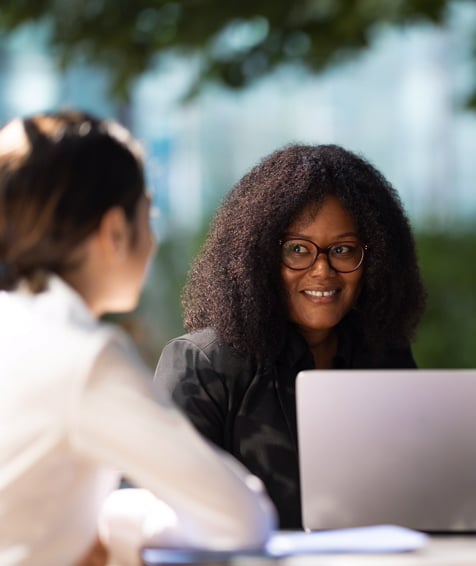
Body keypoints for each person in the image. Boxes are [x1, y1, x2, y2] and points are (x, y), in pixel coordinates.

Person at [0, 111, 276, 566]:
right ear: (114, 232)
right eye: (151, 214)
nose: (155, 238)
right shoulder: (82, 356)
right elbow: (238, 522)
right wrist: (127, 523)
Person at [155, 143, 427, 530]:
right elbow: (169, 512)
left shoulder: (385, 357)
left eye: (343, 250)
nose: (322, 271)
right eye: (297, 249)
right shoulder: (203, 365)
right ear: (260, 257)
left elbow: (422, 494)